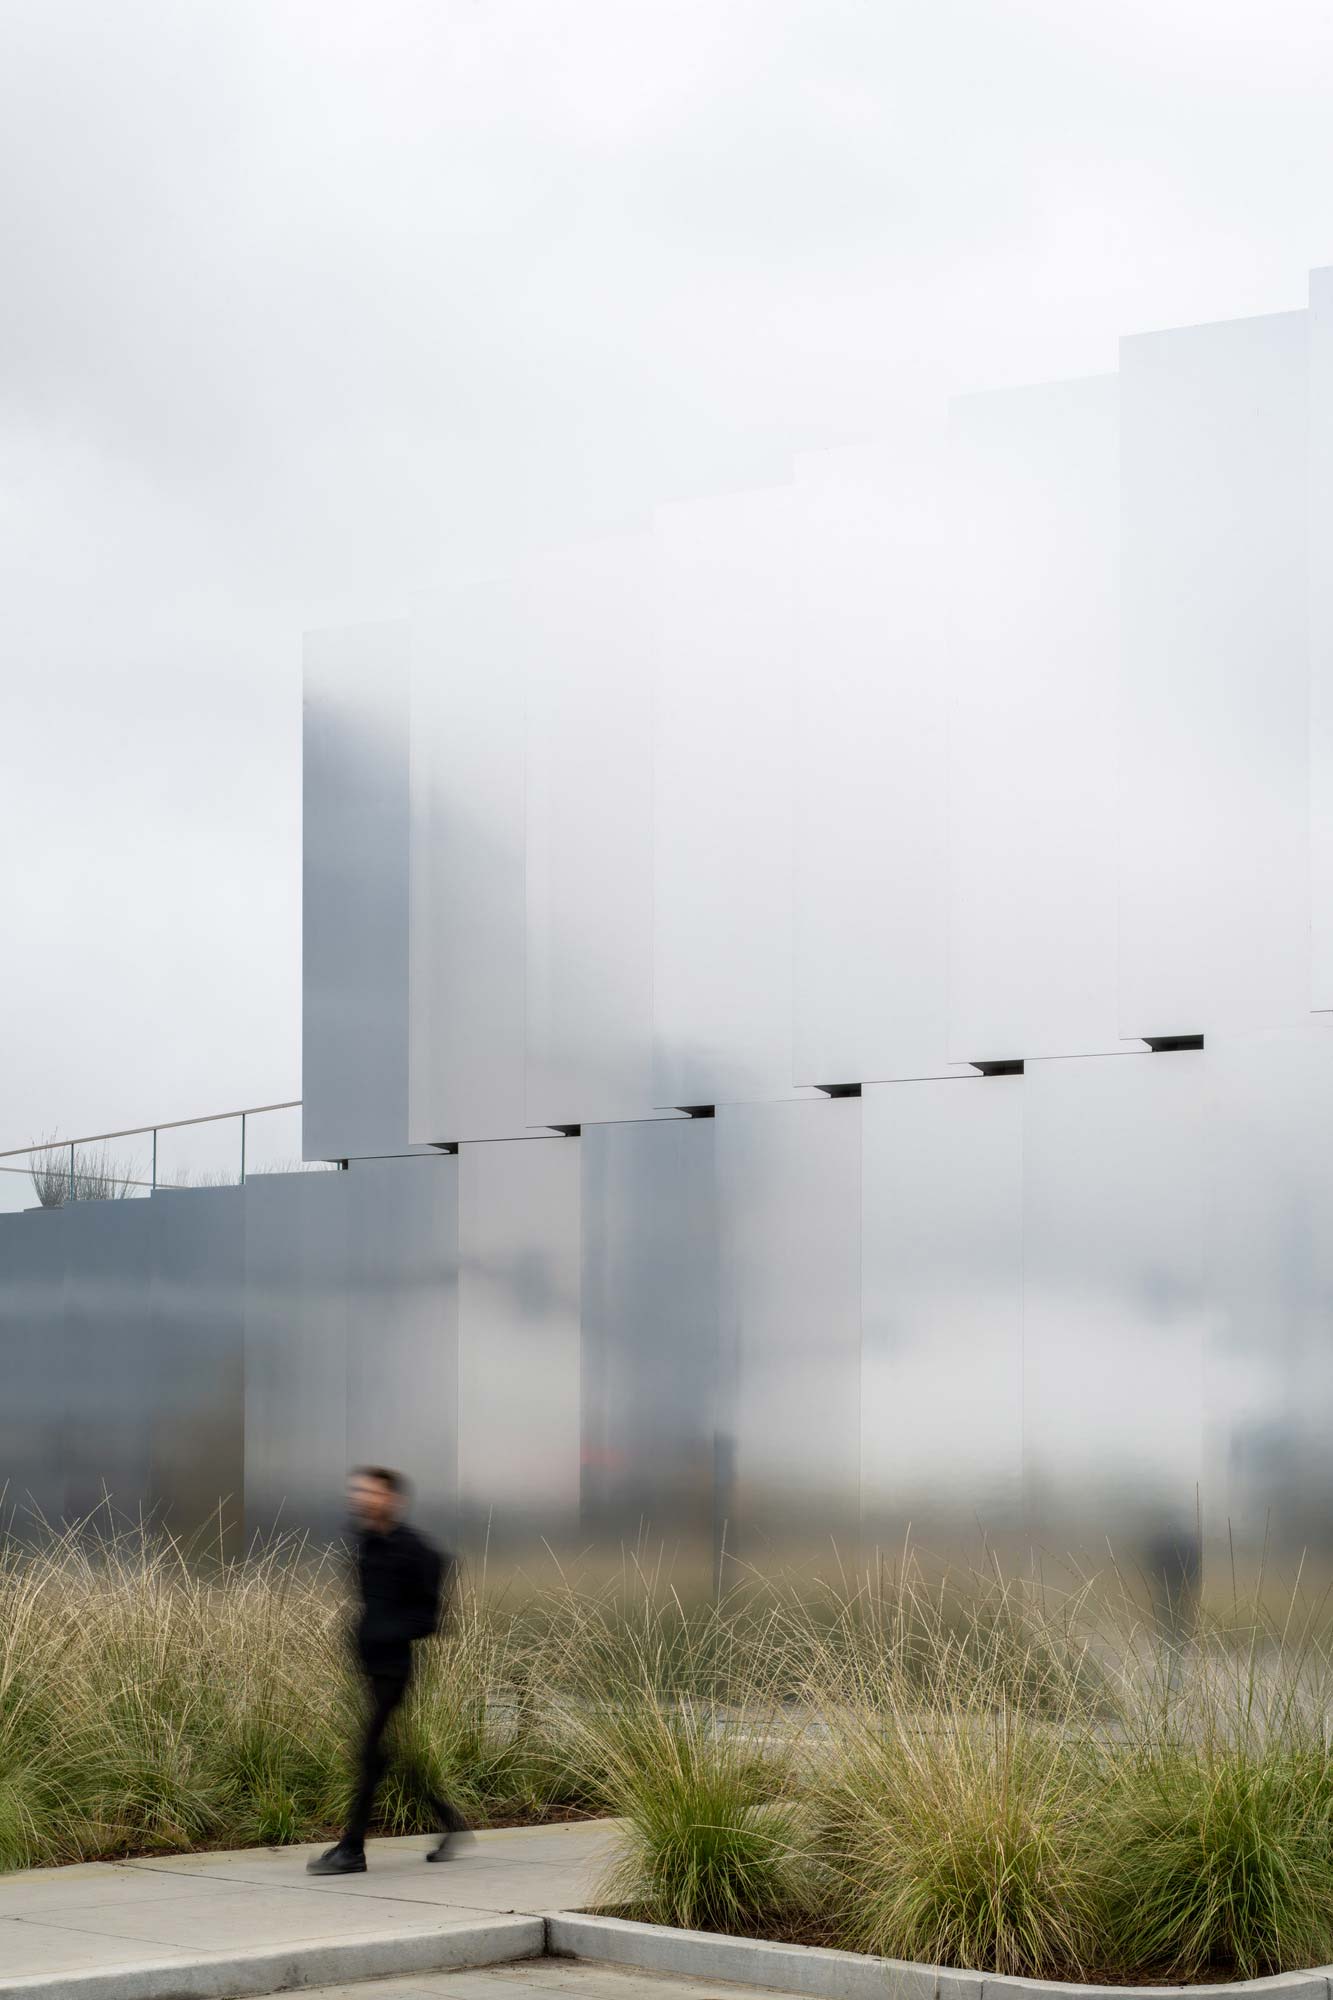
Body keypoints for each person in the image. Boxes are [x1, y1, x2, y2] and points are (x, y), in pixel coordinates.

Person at [308, 1467, 470, 1875]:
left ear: (392, 1500)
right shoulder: (365, 1545)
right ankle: (450, 1822)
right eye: (358, 1490)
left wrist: (383, 1631)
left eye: (371, 1492)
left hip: (394, 1669)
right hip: (370, 1664)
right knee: (382, 1757)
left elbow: (430, 1619)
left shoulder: (415, 1550)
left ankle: (352, 1849)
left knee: (369, 1754)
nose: (361, 1497)